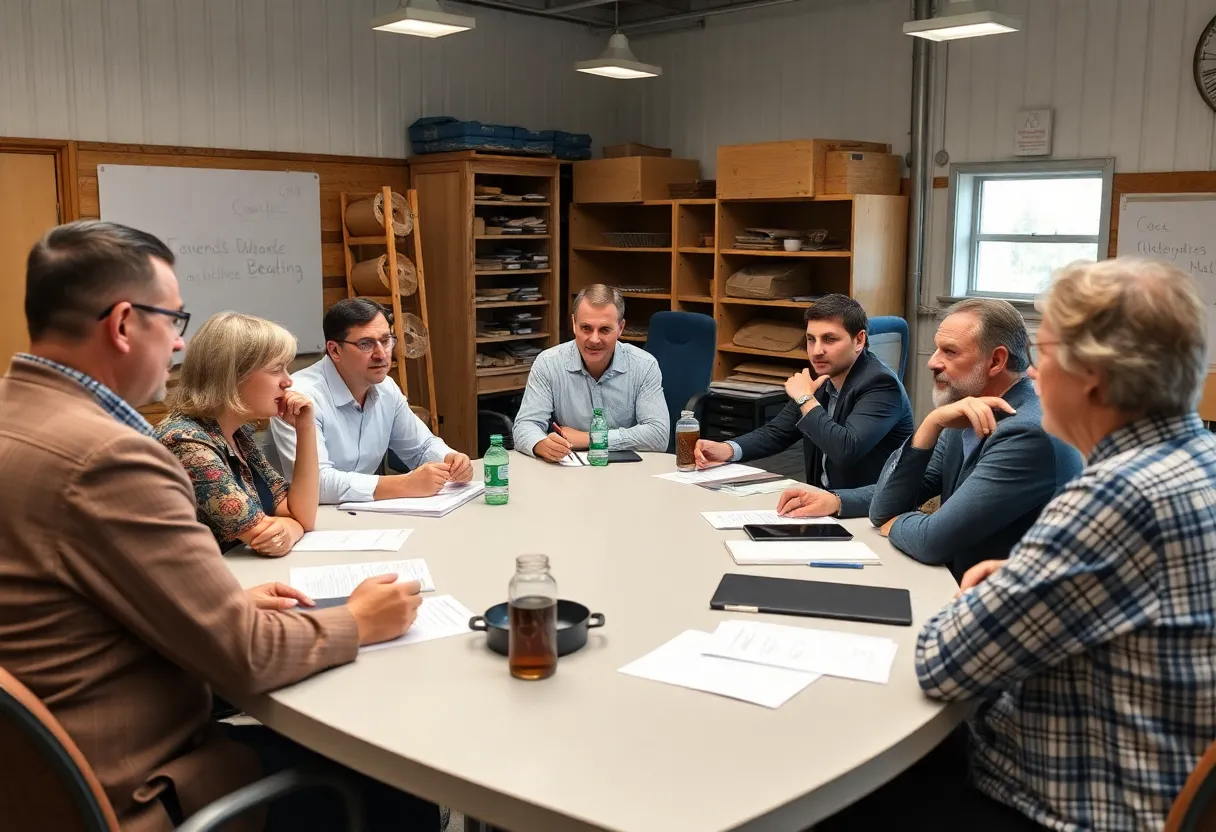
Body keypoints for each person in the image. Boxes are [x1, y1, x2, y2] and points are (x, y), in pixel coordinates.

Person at [0, 221, 437, 832]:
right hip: (139, 783)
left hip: (37, 783)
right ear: (124, 324)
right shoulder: (112, 459)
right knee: (400, 785)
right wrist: (357, 621)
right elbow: (247, 656)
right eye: (173, 323)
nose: (180, 347)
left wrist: (221, 599)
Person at [823, 257, 1216, 831]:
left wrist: (983, 598)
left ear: (1094, 376)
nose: (1034, 376)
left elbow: (943, 663)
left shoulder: (1111, 498)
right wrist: (1013, 583)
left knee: (844, 787)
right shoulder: (1197, 460)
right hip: (1149, 763)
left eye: (1048, 352)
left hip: (1065, 796)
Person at [777, 298, 1081, 581]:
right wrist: (930, 425)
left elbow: (931, 541)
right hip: (955, 583)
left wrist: (898, 524)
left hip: (1000, 603)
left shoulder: (1026, 433)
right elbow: (886, 507)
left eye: (949, 352)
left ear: (996, 361)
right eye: (936, 349)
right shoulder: (966, 409)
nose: (932, 362)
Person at [695, 294, 913, 491]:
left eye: (829, 339)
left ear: (859, 340)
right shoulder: (822, 377)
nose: (817, 351)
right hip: (822, 503)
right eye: (811, 339)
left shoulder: (881, 384)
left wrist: (804, 399)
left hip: (866, 512)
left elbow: (845, 450)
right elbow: (777, 432)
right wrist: (727, 449)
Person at [271, 298, 472, 504]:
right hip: (299, 520)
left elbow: (421, 448)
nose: (381, 354)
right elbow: (317, 484)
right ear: (334, 350)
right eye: (366, 344)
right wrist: (405, 484)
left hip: (362, 513)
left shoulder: (386, 388)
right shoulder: (301, 396)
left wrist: (450, 459)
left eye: (386, 341)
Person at [158, 312, 319, 555]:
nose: (288, 382)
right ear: (233, 376)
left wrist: (305, 427)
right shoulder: (186, 441)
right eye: (277, 369)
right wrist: (291, 526)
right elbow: (266, 540)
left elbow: (301, 516)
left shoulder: (237, 433)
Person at [512, 284, 668, 460]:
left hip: (626, 471)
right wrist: (540, 443)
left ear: (620, 328)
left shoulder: (643, 366)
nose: (594, 339)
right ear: (573, 324)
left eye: (604, 330)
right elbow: (525, 425)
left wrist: (589, 438)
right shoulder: (548, 363)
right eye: (586, 328)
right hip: (569, 471)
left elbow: (658, 435)